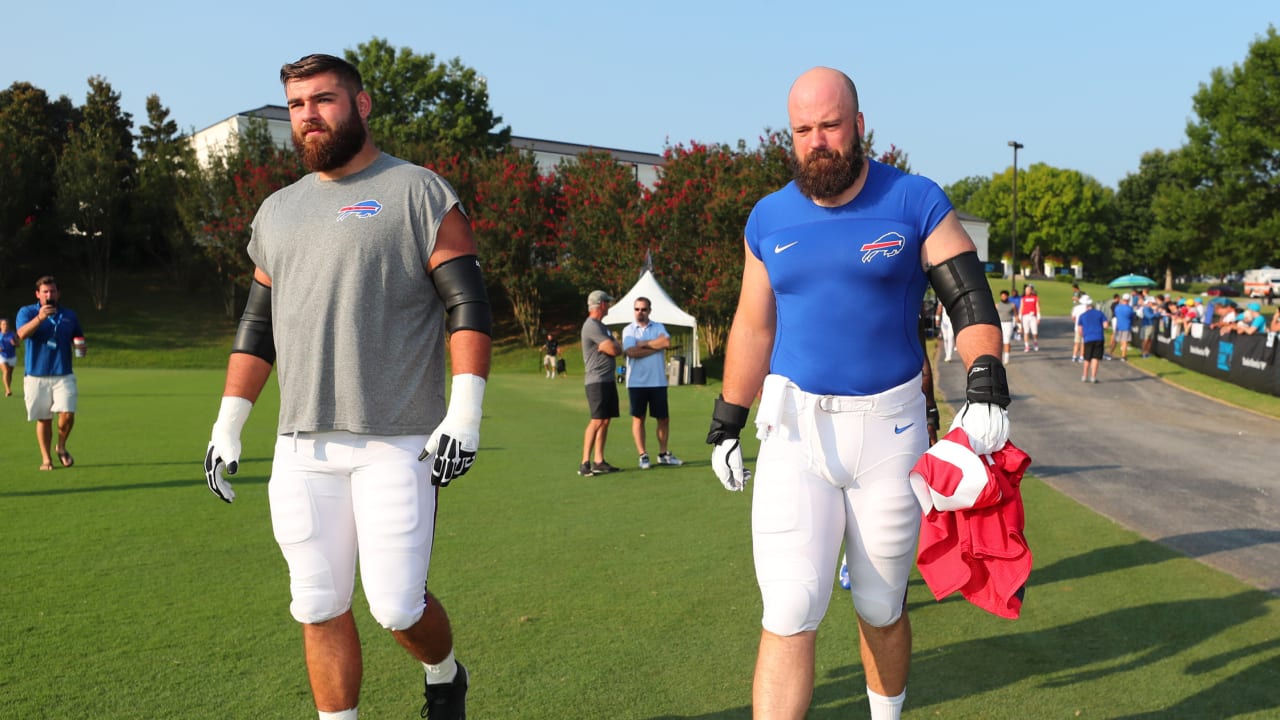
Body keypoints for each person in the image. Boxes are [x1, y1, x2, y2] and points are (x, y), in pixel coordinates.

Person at [705, 67, 1010, 720]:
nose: (818, 141)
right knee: (788, 608)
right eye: (804, 130)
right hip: (793, 433)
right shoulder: (769, 217)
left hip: (889, 433)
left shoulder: (915, 201)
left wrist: (986, 381)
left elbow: (969, 298)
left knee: (880, 605)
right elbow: (753, 324)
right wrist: (727, 419)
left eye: (831, 125)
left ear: (860, 126)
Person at [200, 54, 490, 720]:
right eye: (298, 105)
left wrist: (466, 412)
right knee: (317, 602)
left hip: (400, 436)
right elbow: (256, 327)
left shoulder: (419, 191)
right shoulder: (277, 211)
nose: (309, 116)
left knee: (396, 605)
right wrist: (229, 423)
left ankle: (444, 673)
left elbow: (467, 307)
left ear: (360, 106)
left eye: (324, 99)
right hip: (303, 443)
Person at [16, 276, 84, 470]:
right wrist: (40, 317)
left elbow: (78, 336)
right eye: (45, 292)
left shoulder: (69, 315)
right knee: (44, 419)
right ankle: (46, 459)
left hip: (63, 374)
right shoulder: (27, 311)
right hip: (36, 375)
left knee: (68, 414)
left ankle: (61, 447)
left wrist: (81, 346)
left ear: (58, 293)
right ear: (38, 294)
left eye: (52, 291)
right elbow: (21, 335)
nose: (49, 295)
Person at [622, 296, 683, 469]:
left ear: (649, 310)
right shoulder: (629, 330)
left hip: (657, 381)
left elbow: (666, 342)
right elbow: (631, 352)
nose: (640, 312)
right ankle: (643, 455)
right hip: (636, 383)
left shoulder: (658, 327)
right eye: (637, 309)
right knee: (638, 418)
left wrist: (643, 344)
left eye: (643, 309)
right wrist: (654, 346)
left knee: (663, 419)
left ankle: (663, 454)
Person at [580, 289, 622, 476]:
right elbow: (613, 349)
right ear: (601, 304)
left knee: (605, 420)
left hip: (607, 379)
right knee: (597, 420)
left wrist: (613, 345)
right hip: (596, 380)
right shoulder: (591, 326)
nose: (609, 306)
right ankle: (585, 463)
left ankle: (599, 460)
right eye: (607, 302)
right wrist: (612, 346)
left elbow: (615, 347)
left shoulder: (601, 326)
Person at [1076, 296, 1107, 383]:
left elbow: (1079, 330)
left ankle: (1084, 375)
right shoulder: (1100, 313)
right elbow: (1105, 325)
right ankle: (1093, 376)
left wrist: (1084, 335)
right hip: (1098, 337)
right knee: (1095, 357)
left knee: (1087, 358)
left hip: (1088, 338)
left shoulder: (1082, 316)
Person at [1108, 295, 1135, 361]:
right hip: (1126, 326)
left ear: (1123, 299)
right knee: (1125, 341)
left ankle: (1110, 353)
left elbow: (1116, 314)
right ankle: (1123, 356)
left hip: (1119, 326)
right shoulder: (1129, 308)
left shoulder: (1117, 307)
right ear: (1128, 300)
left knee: (1115, 341)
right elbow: (1132, 316)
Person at [1018, 283, 1041, 352]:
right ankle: (1026, 345)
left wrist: (1038, 317)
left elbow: (1037, 307)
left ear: (1031, 290)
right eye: (1026, 290)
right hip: (1025, 316)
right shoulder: (1023, 298)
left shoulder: (1035, 298)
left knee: (1034, 332)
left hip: (1033, 316)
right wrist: (1020, 317)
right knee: (1026, 332)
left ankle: (1035, 342)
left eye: (1028, 290)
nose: (1026, 291)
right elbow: (1021, 308)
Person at [997, 289, 1016, 364]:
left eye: (1005, 296)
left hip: (1008, 323)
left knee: (1006, 340)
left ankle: (1006, 358)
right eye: (1002, 296)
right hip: (1000, 323)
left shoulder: (1012, 305)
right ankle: (1000, 356)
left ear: (1007, 296)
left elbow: (1016, 315)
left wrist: (1019, 326)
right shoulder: (997, 305)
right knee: (999, 341)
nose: (1003, 297)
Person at [0, 318, 17, 397]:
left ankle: (8, 390)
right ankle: (8, 389)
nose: (5, 326)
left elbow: (18, 344)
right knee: (6, 371)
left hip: (12, 356)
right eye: (3, 324)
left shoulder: (12, 334)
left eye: (6, 324)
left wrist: (14, 343)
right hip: (2, 356)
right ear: (0, 326)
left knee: (10, 373)